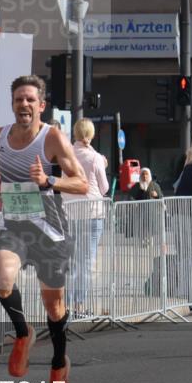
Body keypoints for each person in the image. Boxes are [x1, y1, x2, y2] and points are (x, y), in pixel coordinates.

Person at [0, 75, 88, 383]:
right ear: (12, 104)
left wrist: (48, 180)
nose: (23, 105)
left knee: (53, 305)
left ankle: (58, 365)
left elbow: (82, 184)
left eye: (30, 100)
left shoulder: (51, 137)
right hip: (14, 227)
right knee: (2, 278)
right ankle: (24, 332)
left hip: (50, 232)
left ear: (41, 105)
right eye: (18, 100)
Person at [64, 118, 110, 316]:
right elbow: (104, 187)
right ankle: (79, 304)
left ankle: (64, 304)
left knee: (71, 260)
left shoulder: (65, 154)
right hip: (92, 212)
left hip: (70, 212)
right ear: (91, 135)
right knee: (86, 260)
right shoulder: (95, 158)